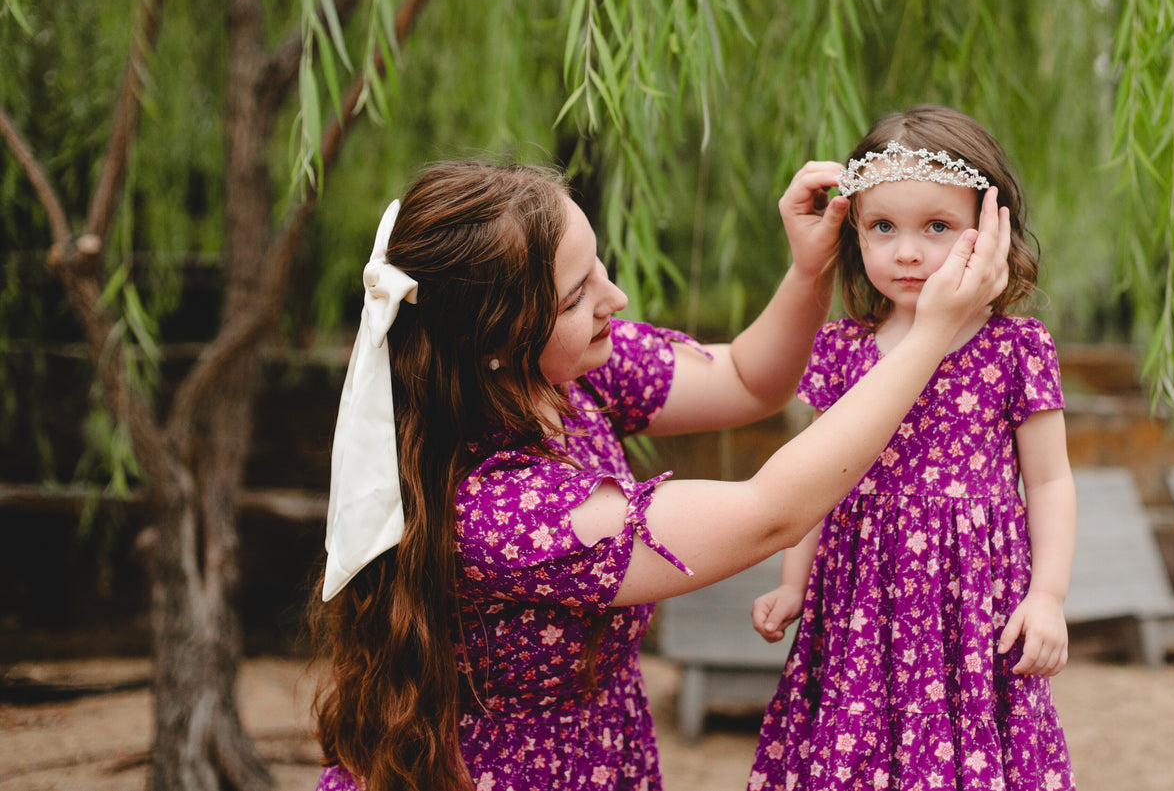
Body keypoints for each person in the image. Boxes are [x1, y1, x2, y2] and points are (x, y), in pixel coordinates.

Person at [310, 156, 1012, 791]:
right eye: (577, 294)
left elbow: (744, 379)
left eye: (599, 268)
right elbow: (769, 513)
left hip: (602, 748)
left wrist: (809, 270)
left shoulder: (564, 376)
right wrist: (930, 338)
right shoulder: (497, 507)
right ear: (495, 337)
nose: (613, 298)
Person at [748, 105, 1077, 791]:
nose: (906, 251)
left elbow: (1047, 481)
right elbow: (812, 483)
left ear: (991, 229)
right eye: (882, 227)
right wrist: (790, 582)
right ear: (855, 234)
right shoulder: (843, 347)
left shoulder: (1014, 347)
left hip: (968, 600)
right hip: (859, 597)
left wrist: (1046, 595)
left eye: (936, 226)